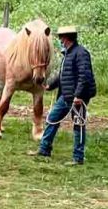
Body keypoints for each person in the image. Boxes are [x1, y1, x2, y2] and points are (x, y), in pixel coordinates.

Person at [29, 26, 96, 165]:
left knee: (79, 125)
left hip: (77, 98)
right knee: (52, 119)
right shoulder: (68, 53)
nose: (59, 40)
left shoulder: (81, 53)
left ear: (66, 38)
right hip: (65, 96)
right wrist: (50, 85)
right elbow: (63, 76)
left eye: (61, 38)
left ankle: (78, 158)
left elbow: (84, 76)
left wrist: (78, 96)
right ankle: (44, 149)